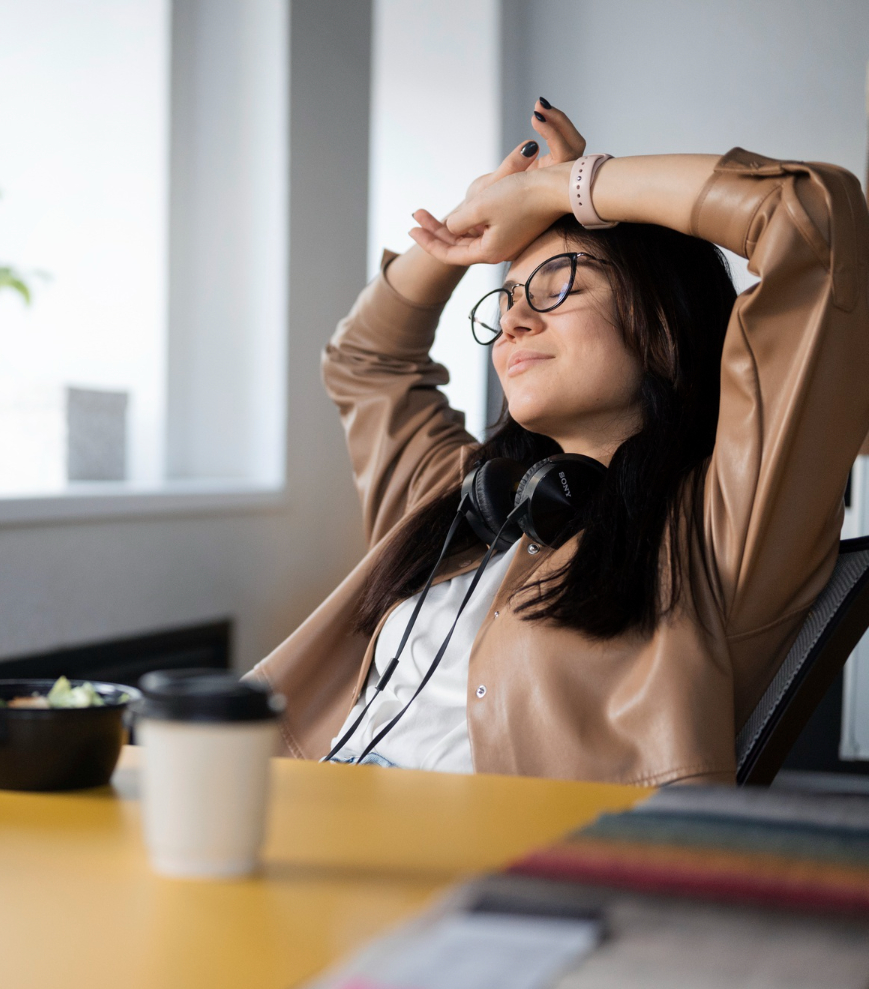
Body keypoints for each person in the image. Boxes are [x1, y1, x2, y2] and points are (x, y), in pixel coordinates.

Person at [245, 99, 869, 785]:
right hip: (297, 813)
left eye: (557, 285)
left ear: (663, 328)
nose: (513, 320)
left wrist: (556, 189)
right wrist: (464, 232)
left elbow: (813, 222)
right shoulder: (465, 499)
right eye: (508, 295)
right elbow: (363, 360)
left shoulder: (724, 523)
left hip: (511, 875)